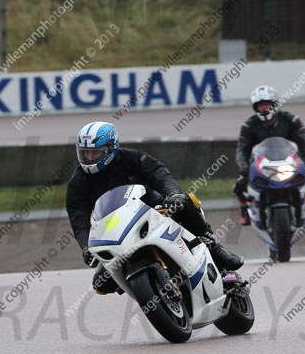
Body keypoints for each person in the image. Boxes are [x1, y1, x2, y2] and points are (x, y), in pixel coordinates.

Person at [66, 121, 244, 295]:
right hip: (116, 231)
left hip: (151, 209)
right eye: (85, 153)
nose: (90, 158)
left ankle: (214, 248)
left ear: (111, 148)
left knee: (186, 203)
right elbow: (78, 218)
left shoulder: (132, 157)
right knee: (100, 284)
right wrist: (85, 247)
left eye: (95, 153)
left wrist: (173, 194)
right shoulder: (78, 183)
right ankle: (142, 285)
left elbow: (159, 173)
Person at [234, 86, 305, 226]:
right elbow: (241, 149)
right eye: (260, 105)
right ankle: (244, 210)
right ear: (255, 108)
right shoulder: (248, 125)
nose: (264, 108)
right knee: (239, 184)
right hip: (262, 164)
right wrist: (244, 166)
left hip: (288, 161)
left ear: (275, 104)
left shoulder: (291, 119)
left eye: (267, 104)